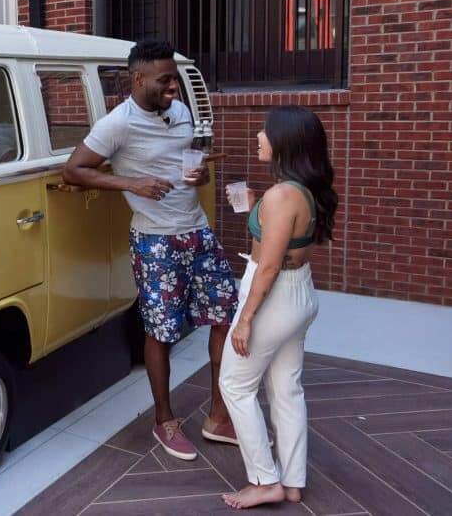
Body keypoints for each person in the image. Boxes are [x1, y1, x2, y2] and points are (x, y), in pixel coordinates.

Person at [64, 40, 238, 461]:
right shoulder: (117, 124)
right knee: (160, 332)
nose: (174, 89)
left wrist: (196, 174)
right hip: (155, 241)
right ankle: (164, 420)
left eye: (175, 80)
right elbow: (73, 169)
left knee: (225, 317)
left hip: (197, 231)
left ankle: (217, 414)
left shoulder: (178, 111)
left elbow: (184, 160)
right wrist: (131, 183)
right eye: (165, 81)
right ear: (138, 79)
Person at [219, 106, 338, 509]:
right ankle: (292, 480)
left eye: (265, 132)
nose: (257, 136)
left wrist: (246, 319)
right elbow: (283, 239)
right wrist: (255, 205)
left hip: (272, 295)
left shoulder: (281, 196)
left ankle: (264, 480)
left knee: (234, 385)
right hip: (300, 293)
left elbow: (268, 265)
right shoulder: (301, 189)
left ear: (285, 142)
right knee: (287, 389)